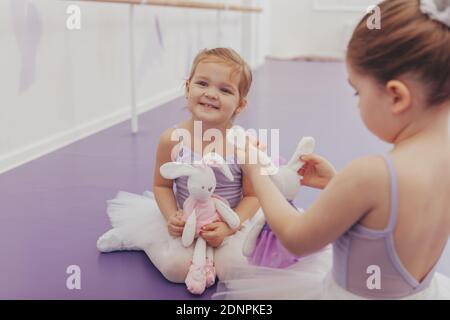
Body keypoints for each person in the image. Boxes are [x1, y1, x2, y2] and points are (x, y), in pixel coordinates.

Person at [214, 0, 450, 299]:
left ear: (396, 97)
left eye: (357, 91)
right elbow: (398, 212)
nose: (358, 102)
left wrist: (256, 171)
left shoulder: (371, 174)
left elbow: (296, 238)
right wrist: (338, 185)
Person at [97, 48, 261, 291]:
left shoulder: (242, 144)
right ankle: (140, 239)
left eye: (224, 90)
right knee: (175, 269)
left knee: (234, 270)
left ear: (240, 104)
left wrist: (229, 227)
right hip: (188, 220)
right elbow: (162, 185)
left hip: (230, 220)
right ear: (187, 88)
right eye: (202, 83)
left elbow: (253, 195)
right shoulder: (172, 139)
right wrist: (172, 216)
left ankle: (215, 259)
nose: (211, 94)